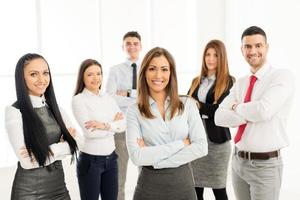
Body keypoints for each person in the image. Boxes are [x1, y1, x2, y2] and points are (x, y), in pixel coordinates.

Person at [215, 26, 295, 200]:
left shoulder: (282, 76)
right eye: (248, 47)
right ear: (242, 50)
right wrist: (250, 113)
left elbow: (263, 111)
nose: (253, 51)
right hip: (238, 162)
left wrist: (236, 107)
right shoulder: (241, 82)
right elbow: (219, 116)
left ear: (267, 47)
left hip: (265, 167)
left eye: (258, 45)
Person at [126, 47, 208, 200]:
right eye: (152, 69)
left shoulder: (188, 104)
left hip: (183, 187)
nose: (158, 75)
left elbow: (201, 147)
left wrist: (155, 159)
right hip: (148, 189)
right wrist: (181, 144)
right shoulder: (134, 110)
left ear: (171, 74)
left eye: (164, 69)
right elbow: (137, 157)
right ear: (144, 72)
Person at [5, 53, 81, 200]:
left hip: (59, 189)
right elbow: (28, 162)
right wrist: (64, 145)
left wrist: (50, 150)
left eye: (45, 73)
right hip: (29, 192)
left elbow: (79, 142)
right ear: (22, 78)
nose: (42, 80)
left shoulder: (56, 108)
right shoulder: (14, 111)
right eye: (34, 74)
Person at [72, 59, 126, 200]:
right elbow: (90, 133)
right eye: (90, 74)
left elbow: (124, 124)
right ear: (82, 77)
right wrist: (113, 123)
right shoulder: (79, 100)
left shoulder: (108, 98)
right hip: (91, 162)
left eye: (99, 73)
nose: (96, 78)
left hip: (111, 159)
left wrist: (104, 125)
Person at [188, 39, 234, 200]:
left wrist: (200, 107)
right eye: (207, 54)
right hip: (196, 140)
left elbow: (220, 111)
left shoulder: (228, 81)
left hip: (217, 144)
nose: (211, 58)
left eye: (215, 55)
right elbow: (188, 108)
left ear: (222, 57)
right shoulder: (196, 81)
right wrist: (207, 109)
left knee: (219, 190)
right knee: (195, 190)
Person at [106, 31, 142, 200]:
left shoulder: (149, 69)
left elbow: (149, 98)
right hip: (121, 128)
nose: (132, 46)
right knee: (119, 176)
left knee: (146, 174)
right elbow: (110, 97)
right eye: (128, 43)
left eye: (135, 43)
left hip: (144, 127)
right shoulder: (115, 70)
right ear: (123, 47)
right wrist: (137, 97)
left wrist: (127, 93)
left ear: (140, 46)